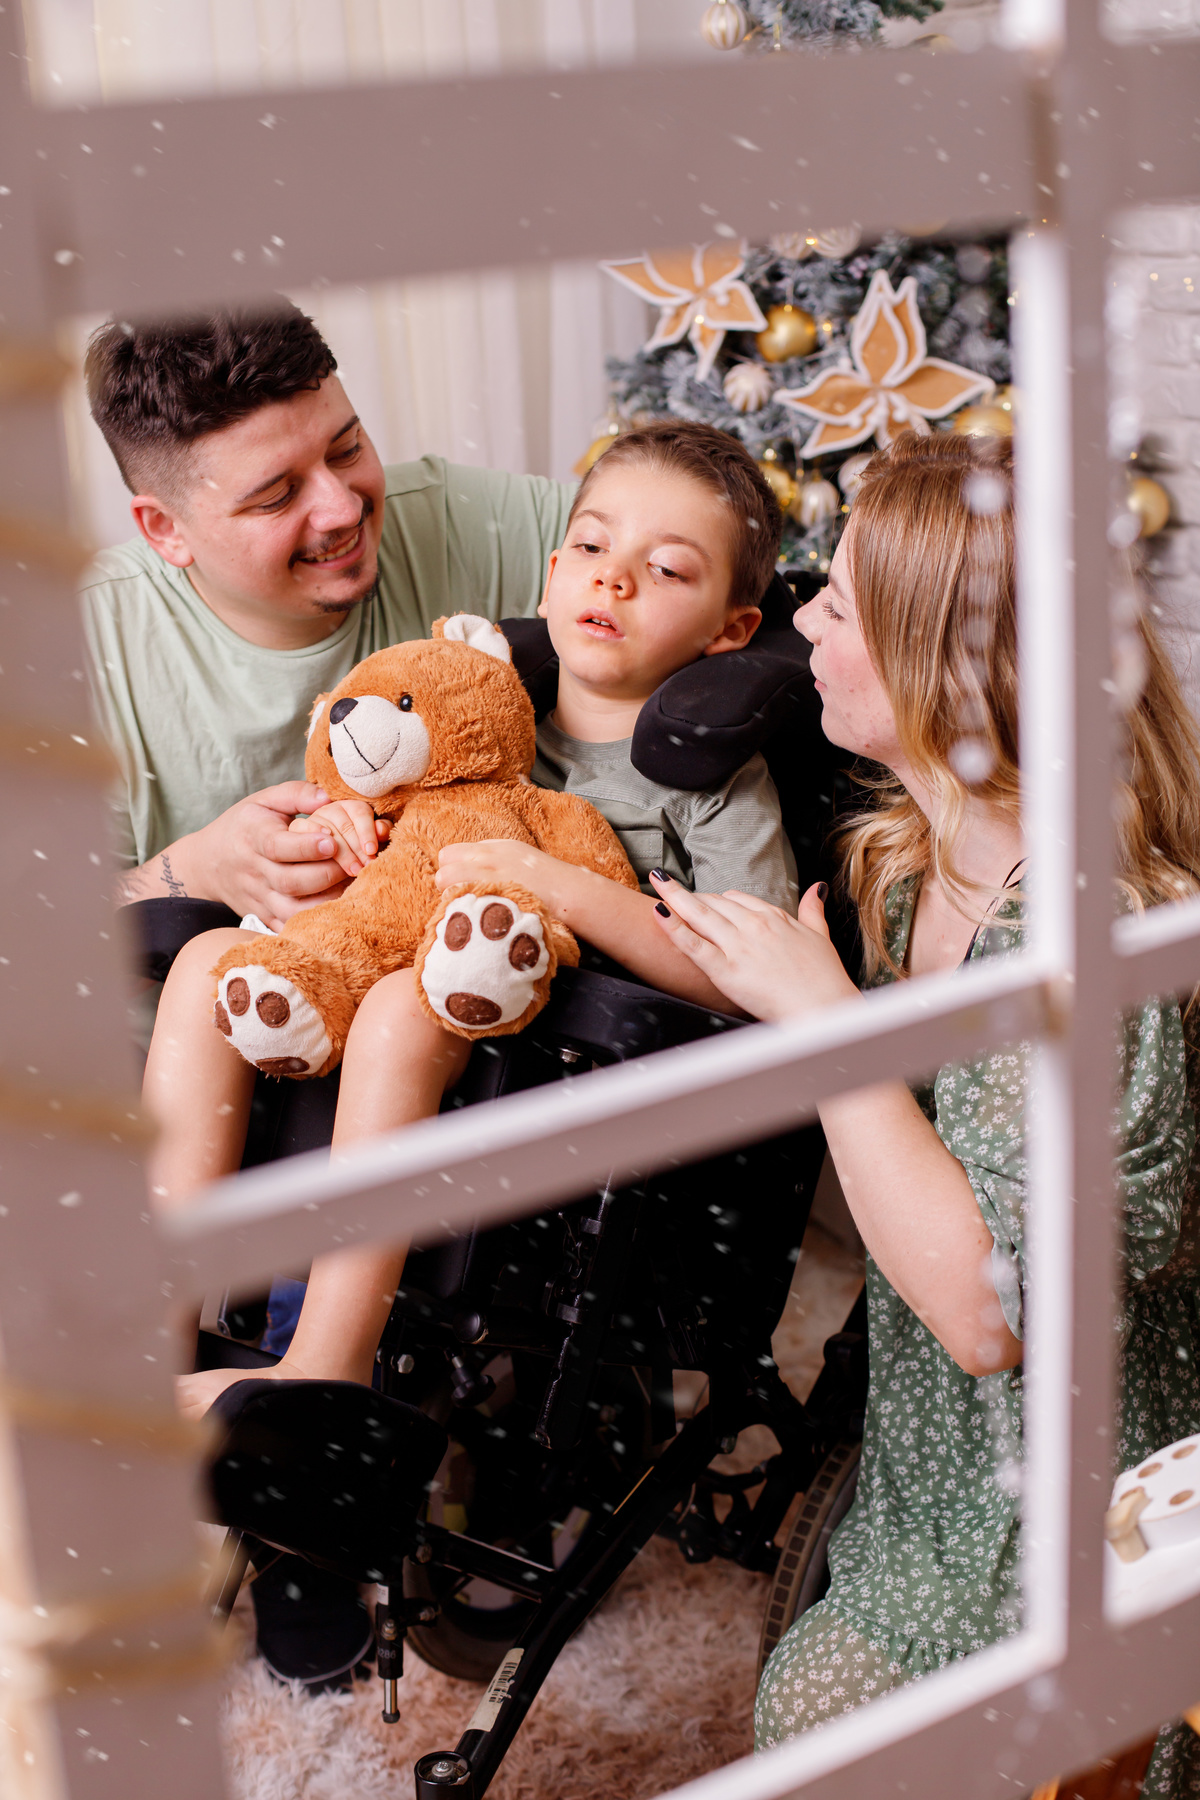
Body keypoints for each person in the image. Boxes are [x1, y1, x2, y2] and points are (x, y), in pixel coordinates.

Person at [142, 420, 798, 1686]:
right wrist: (349, 837)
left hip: (570, 1088)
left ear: (730, 627)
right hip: (386, 1029)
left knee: (406, 1010)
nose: (613, 579)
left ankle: (324, 1372)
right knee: (204, 962)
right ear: (553, 569)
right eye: (592, 548)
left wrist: (569, 890)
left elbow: (750, 974)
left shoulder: (715, 783)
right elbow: (387, 818)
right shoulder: (485, 711)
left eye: (666, 569)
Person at [649, 431, 1200, 1797]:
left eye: (836, 607)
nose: (802, 629)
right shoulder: (911, 858)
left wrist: (827, 1023)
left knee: (837, 1731)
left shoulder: (1081, 947)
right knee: (815, 1713)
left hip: (1090, 1501)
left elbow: (993, 1314)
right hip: (936, 1457)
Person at [81, 301, 575, 929]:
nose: (343, 509)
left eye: (346, 449)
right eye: (276, 496)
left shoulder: (459, 517)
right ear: (165, 529)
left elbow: (683, 532)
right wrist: (199, 871)